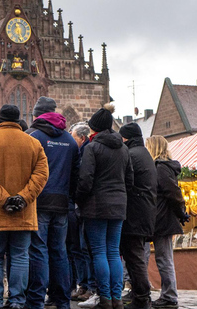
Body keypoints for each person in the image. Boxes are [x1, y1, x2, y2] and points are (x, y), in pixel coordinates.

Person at [0, 104, 49, 309]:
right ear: (18, 120)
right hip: (23, 213)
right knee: (20, 256)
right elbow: (42, 175)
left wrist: (3, 199)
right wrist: (22, 198)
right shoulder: (33, 144)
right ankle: (17, 301)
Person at [75, 105, 133, 309]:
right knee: (113, 252)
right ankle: (116, 298)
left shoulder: (92, 148)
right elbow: (130, 180)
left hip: (96, 207)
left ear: (95, 129)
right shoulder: (123, 148)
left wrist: (80, 200)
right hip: (118, 207)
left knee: (99, 252)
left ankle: (105, 298)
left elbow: (85, 180)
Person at [26, 97, 80, 309]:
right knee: (60, 252)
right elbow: (76, 174)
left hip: (38, 202)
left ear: (37, 114)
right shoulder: (69, 140)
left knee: (38, 250)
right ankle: (62, 300)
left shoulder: (33, 136)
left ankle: (37, 300)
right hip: (63, 203)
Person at [145, 136, 188, 309]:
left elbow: (173, 193)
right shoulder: (162, 167)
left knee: (164, 259)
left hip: (161, 219)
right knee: (163, 258)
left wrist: (181, 213)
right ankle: (167, 295)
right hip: (161, 218)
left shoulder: (160, 167)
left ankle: (170, 296)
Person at [118, 122, 156, 309]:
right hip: (143, 213)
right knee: (135, 256)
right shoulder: (143, 153)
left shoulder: (132, 155)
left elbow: (127, 183)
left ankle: (142, 298)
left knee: (134, 257)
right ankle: (140, 295)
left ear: (127, 138)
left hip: (135, 214)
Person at [68, 122, 95, 302]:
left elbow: (85, 180)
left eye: (74, 137)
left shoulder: (86, 152)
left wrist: (78, 197)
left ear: (82, 138)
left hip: (84, 207)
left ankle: (89, 287)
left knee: (86, 249)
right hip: (80, 207)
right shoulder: (81, 151)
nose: (72, 140)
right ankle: (84, 285)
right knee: (79, 249)